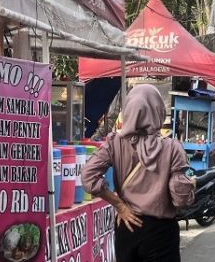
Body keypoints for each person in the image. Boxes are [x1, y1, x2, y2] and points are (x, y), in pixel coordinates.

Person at [82, 84, 195, 262]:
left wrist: (120, 205)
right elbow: (180, 198)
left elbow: (88, 176)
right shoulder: (172, 148)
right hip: (161, 231)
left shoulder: (114, 143)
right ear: (158, 110)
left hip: (127, 224)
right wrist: (190, 187)